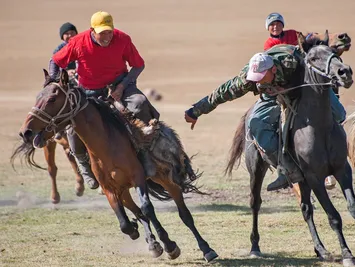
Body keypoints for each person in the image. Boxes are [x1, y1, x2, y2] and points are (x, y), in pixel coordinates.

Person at [49, 11, 160, 189]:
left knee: (140, 103)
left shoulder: (122, 39)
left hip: (119, 85)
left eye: (109, 31)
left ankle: (146, 155)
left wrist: (122, 87)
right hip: (89, 92)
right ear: (93, 30)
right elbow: (56, 60)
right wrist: (54, 81)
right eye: (102, 33)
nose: (107, 37)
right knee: (73, 129)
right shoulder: (78, 42)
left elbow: (138, 65)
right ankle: (85, 167)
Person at [185, 49, 318, 191]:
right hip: (271, 94)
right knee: (256, 124)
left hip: (304, 86)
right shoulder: (248, 79)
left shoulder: (291, 63)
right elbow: (223, 92)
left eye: (260, 76)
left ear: (273, 69)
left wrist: (289, 89)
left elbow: (316, 71)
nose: (256, 79)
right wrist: (196, 111)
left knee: (335, 110)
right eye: (255, 76)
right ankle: (289, 171)